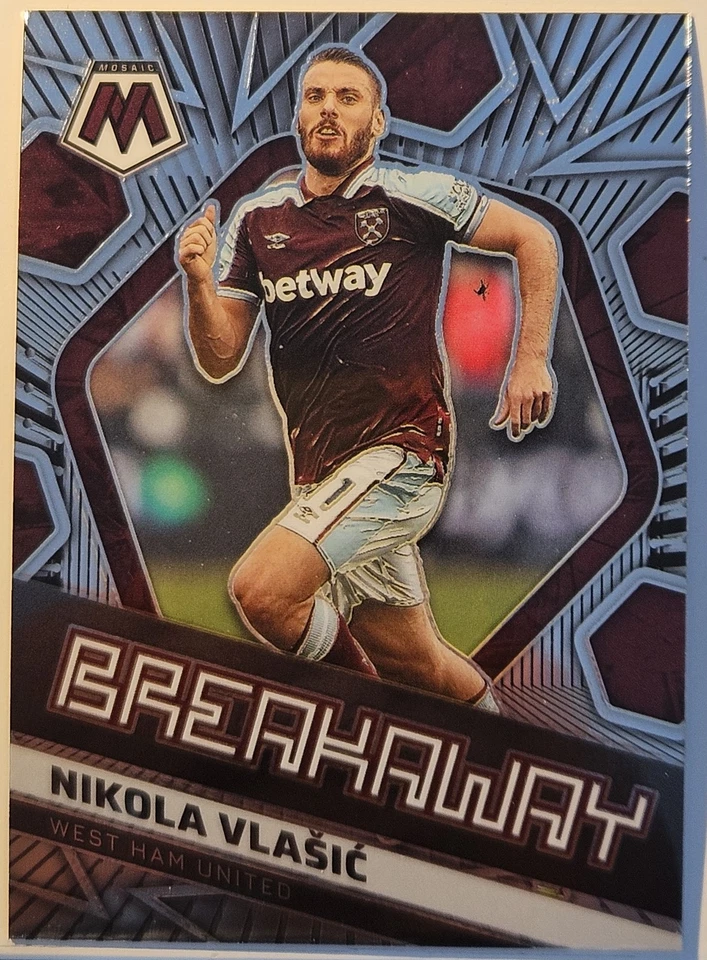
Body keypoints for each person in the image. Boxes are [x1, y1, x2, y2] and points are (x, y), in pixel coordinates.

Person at [177, 46, 559, 713]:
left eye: (347, 98)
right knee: (417, 665)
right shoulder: (257, 220)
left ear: (377, 122)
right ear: (298, 117)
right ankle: (506, 755)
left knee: (262, 592)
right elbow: (219, 358)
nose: (328, 109)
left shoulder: (411, 196)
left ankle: (362, 726)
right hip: (321, 471)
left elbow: (534, 239)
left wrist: (529, 358)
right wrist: (197, 284)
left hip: (402, 452)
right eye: (315, 96)